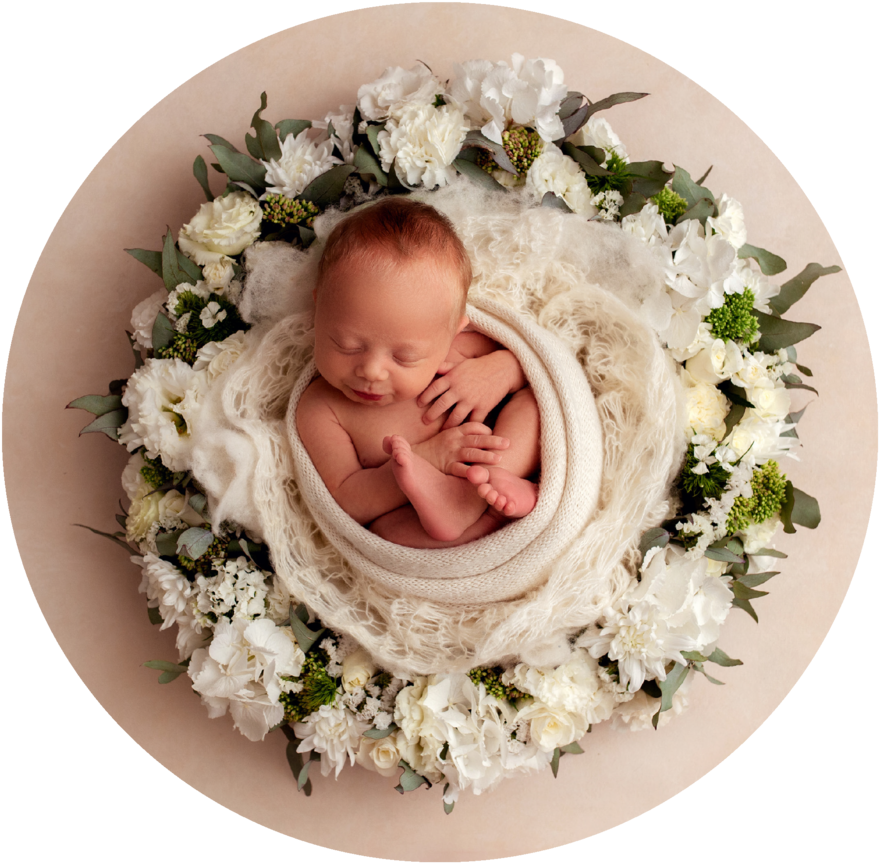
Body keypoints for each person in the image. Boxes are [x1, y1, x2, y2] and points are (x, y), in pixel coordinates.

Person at [296, 197, 540, 548]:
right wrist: (425, 459)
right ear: (318, 309)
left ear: (452, 334)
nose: (372, 371)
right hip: (418, 508)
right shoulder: (321, 408)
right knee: (387, 534)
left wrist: (499, 371)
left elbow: (530, 364)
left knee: (533, 405)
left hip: (491, 464)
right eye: (347, 346)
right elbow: (346, 499)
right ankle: (486, 521)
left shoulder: (456, 353)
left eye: (405, 357)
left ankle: (498, 481)